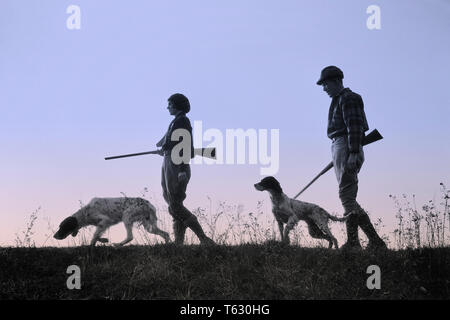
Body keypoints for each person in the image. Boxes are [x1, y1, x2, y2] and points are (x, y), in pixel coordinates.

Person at [316, 66, 387, 251]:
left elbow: (354, 126)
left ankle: (356, 243)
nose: (324, 88)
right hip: (341, 145)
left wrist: (353, 152)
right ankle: (374, 242)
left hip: (346, 144)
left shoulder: (349, 98)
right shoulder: (340, 99)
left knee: (346, 196)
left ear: (337, 81)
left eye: (326, 84)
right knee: (348, 197)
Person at [156, 93, 215, 245]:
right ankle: (179, 243)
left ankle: (203, 238)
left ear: (176, 105)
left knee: (175, 206)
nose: (167, 107)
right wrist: (164, 148)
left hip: (176, 164)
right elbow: (168, 142)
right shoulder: (176, 121)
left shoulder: (182, 120)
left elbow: (186, 145)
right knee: (174, 205)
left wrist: (182, 169)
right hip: (169, 160)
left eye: (169, 104)